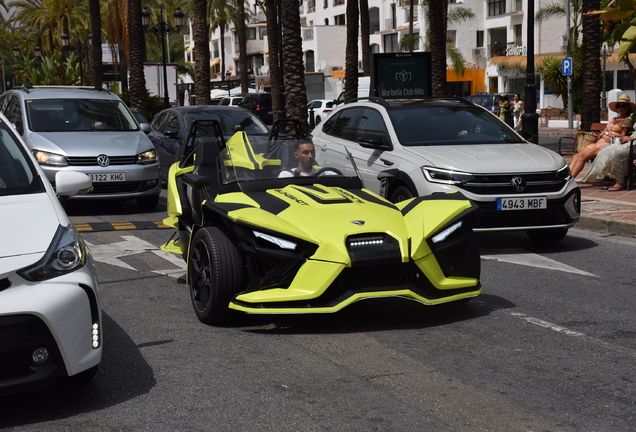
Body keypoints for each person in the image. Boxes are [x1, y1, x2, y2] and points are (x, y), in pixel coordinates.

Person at [570, 94, 636, 179]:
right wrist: (605, 134)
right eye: (618, 106)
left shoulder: (627, 120)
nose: (620, 108)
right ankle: (567, 178)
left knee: (583, 157)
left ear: (628, 108)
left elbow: (622, 136)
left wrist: (607, 134)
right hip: (601, 141)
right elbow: (602, 133)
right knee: (576, 156)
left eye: (623, 106)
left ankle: (570, 180)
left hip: (609, 144)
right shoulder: (614, 119)